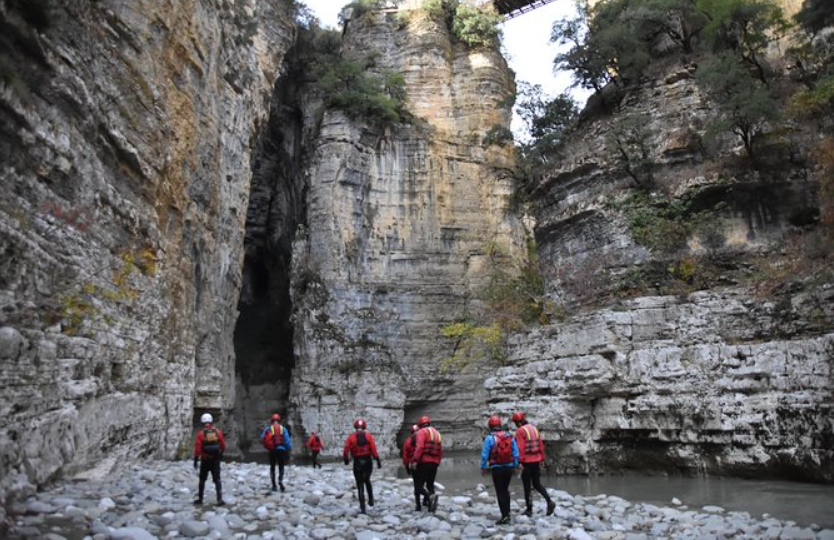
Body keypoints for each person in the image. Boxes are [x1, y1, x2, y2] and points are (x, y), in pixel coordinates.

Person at [513, 411, 556, 516]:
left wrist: (519, 462)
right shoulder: (534, 428)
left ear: (518, 422)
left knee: (527, 486)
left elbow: (521, 448)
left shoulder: (520, 431)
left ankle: (529, 509)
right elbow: (540, 445)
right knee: (537, 484)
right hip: (536, 460)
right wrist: (542, 458)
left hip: (526, 462)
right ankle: (549, 501)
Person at [480, 415, 518, 525]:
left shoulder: (489, 438)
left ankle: (504, 516)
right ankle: (508, 513)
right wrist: (515, 465)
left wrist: (483, 467)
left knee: (500, 491)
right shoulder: (509, 436)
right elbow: (515, 452)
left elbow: (484, 455)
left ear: (490, 426)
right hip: (509, 467)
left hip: (497, 468)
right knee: (505, 490)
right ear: (500, 425)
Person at [343, 418, 382, 514]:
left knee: (360, 484)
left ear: (355, 427)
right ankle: (371, 499)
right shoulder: (368, 436)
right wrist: (377, 460)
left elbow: (346, 450)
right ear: (364, 427)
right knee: (367, 480)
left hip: (357, 462)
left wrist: (346, 460)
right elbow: (373, 449)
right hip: (368, 461)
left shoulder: (351, 437)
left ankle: (363, 508)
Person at [193, 413, 226, 506]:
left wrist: (196, 459)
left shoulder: (201, 433)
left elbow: (198, 448)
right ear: (211, 421)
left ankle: (200, 499)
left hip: (205, 459)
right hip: (215, 459)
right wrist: (221, 453)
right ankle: (219, 499)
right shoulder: (218, 432)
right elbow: (222, 444)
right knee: (217, 479)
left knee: (202, 479)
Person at [411, 415, 443, 513]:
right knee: (430, 485)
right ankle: (430, 508)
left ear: (420, 425)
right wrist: (438, 462)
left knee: (419, 486)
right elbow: (440, 451)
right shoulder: (437, 433)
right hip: (434, 464)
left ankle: (430, 497)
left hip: (424, 462)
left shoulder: (421, 432)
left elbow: (419, 447)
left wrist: (414, 460)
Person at [260, 413, 292, 492]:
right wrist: (287, 449)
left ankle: (274, 485)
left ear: (272, 420)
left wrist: (267, 446)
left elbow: (262, 438)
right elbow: (287, 441)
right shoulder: (283, 429)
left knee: (272, 467)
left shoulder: (268, 428)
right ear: (279, 420)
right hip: (281, 450)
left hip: (272, 450)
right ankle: (280, 481)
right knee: (281, 467)